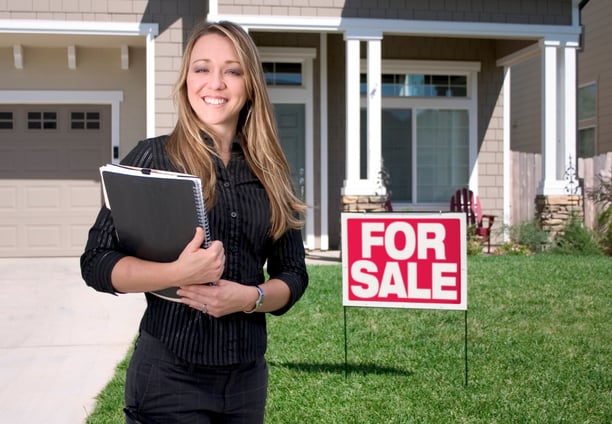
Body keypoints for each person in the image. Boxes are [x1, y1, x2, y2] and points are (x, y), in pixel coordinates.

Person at [80, 20, 308, 423]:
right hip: (169, 377)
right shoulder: (153, 160)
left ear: (250, 83)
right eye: (202, 68)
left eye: (232, 70)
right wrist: (175, 272)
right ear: (186, 81)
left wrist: (249, 298)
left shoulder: (272, 171)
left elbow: (293, 275)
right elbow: (97, 262)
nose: (215, 83)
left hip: (246, 381)